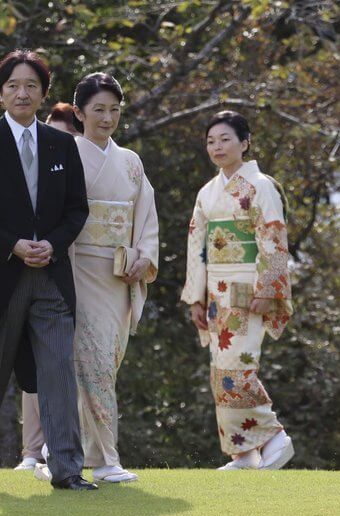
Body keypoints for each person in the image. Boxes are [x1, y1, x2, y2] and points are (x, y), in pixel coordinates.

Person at [0, 49, 95, 491]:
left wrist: (53, 243)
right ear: (0, 93)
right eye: (13, 85)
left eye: (31, 85)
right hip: (0, 276)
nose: (22, 93)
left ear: (44, 92)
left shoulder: (62, 144)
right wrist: (12, 245)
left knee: (58, 375)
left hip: (51, 276)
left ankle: (67, 470)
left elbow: (76, 209)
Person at [180, 111, 295, 471]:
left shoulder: (261, 185)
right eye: (211, 140)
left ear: (245, 143)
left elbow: (273, 237)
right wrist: (196, 296)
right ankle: (244, 451)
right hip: (215, 288)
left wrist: (269, 287)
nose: (217, 146)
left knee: (238, 366)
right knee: (221, 369)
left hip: (248, 284)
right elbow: (197, 246)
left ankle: (274, 434)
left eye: (226, 139)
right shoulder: (206, 192)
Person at [65, 72, 159, 483]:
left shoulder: (130, 161)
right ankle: (105, 459)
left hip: (120, 274)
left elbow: (147, 217)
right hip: (79, 269)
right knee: (94, 363)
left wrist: (145, 255)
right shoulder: (66, 154)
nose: (107, 118)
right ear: (80, 112)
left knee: (106, 362)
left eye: (114, 110)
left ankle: (67, 447)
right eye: (98, 110)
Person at [16, 101, 79, 472]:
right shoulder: (29, 154)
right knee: (33, 360)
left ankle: (79, 453)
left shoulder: (81, 158)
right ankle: (32, 449)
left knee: (68, 363)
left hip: (90, 269)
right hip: (37, 262)